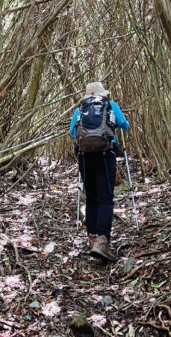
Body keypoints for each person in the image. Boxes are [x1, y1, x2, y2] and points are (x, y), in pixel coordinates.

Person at [70, 81, 130, 262]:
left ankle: (92, 238)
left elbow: (73, 133)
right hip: (105, 155)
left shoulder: (80, 110)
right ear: (103, 94)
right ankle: (102, 242)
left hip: (85, 158)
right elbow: (125, 125)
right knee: (105, 198)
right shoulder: (110, 105)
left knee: (92, 198)